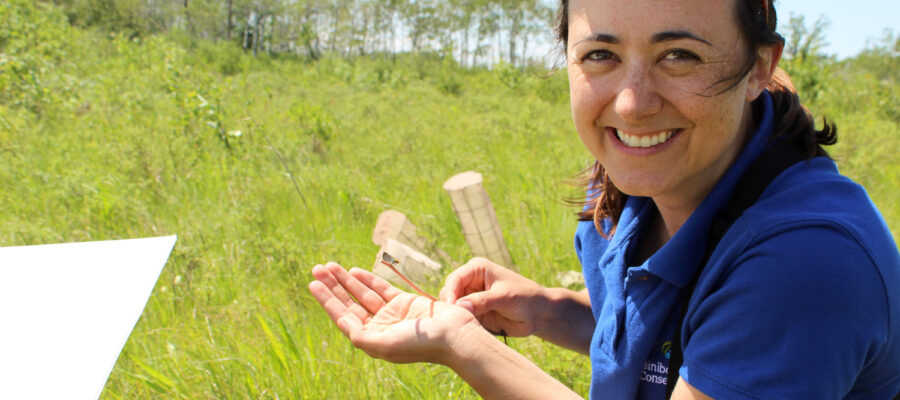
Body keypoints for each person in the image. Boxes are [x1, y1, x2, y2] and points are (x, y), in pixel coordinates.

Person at [308, 0, 900, 398]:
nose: (631, 104)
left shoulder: (807, 263)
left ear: (757, 67)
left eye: (679, 56)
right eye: (601, 56)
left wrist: (462, 347)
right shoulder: (630, 194)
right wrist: (548, 309)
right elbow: (671, 331)